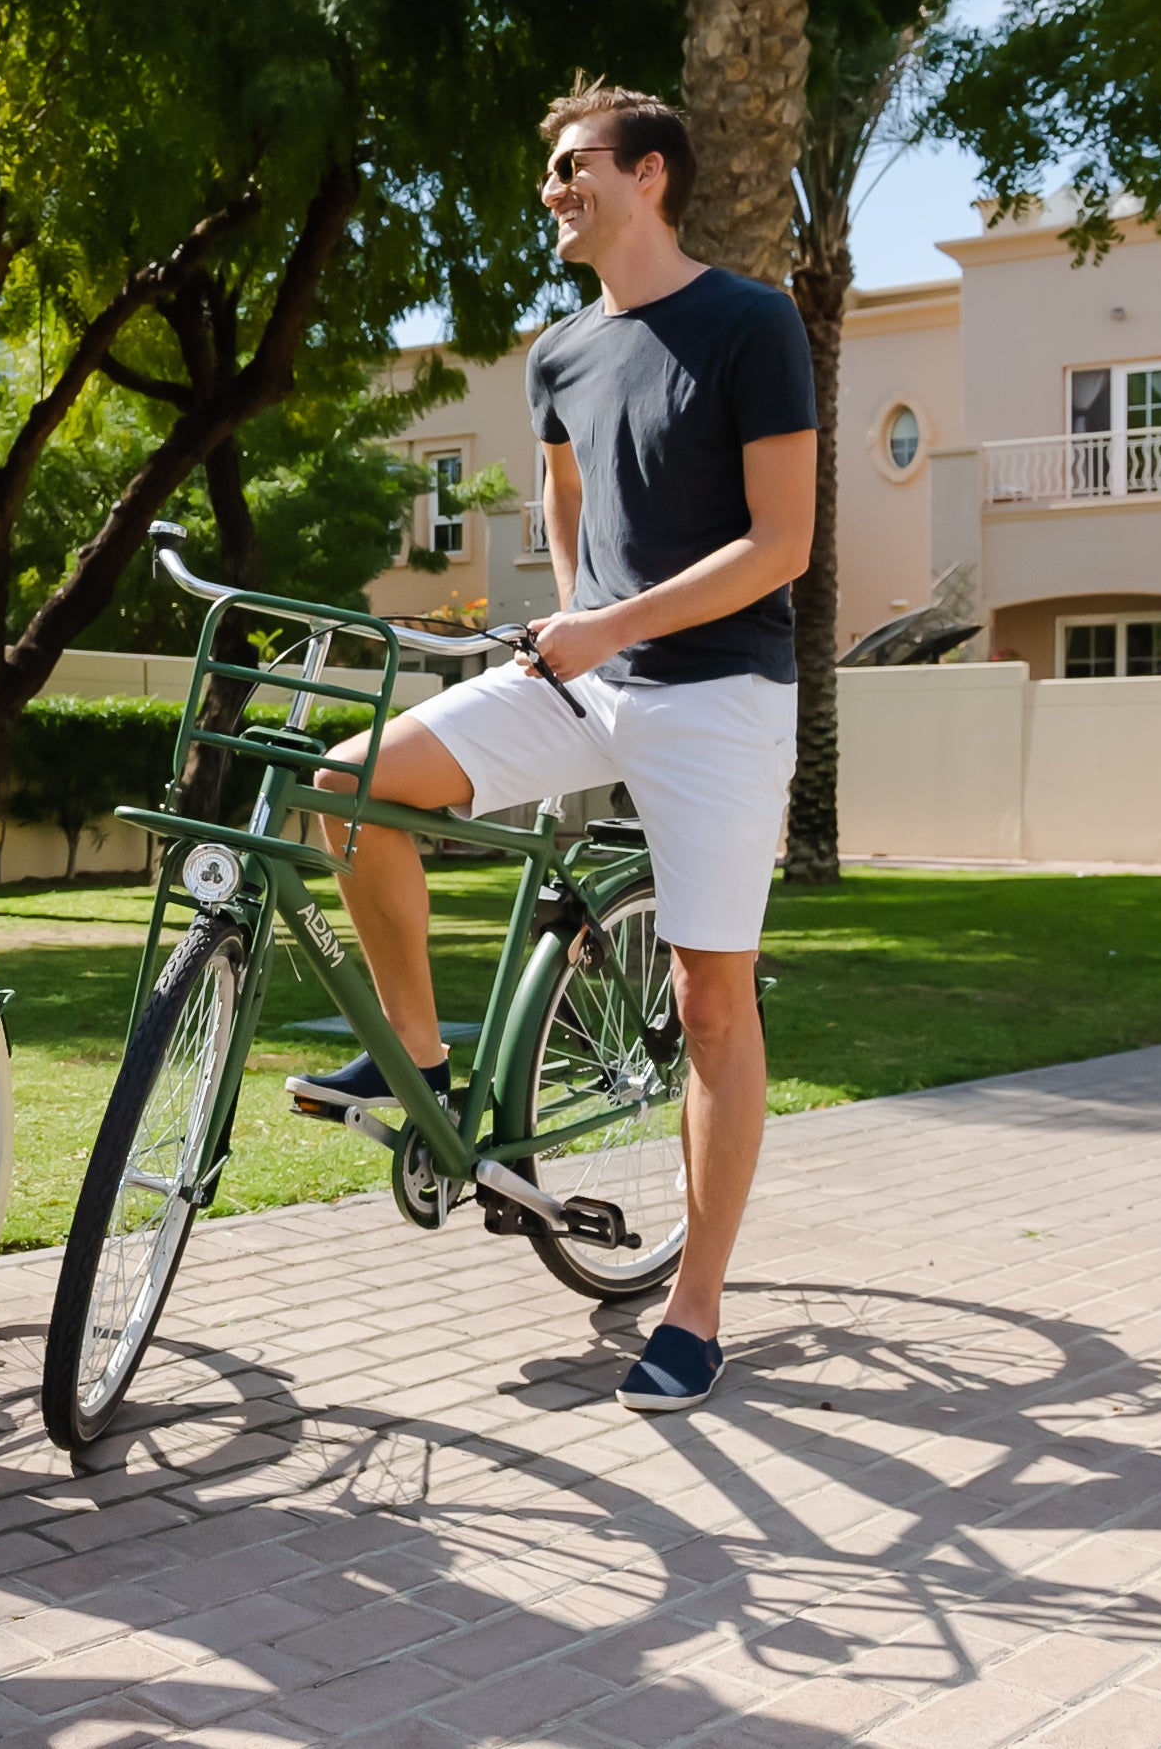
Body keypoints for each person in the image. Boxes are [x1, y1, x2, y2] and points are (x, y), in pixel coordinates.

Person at [287, 82, 815, 1414]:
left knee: (709, 1000)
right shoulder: (561, 352)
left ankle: (691, 1307)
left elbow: (781, 543)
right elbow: (562, 482)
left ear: (647, 175)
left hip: (716, 692)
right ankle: (425, 1051)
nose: (552, 188)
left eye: (573, 166)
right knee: (350, 785)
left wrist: (610, 623)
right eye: (550, 170)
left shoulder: (749, 323)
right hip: (587, 676)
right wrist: (577, 610)